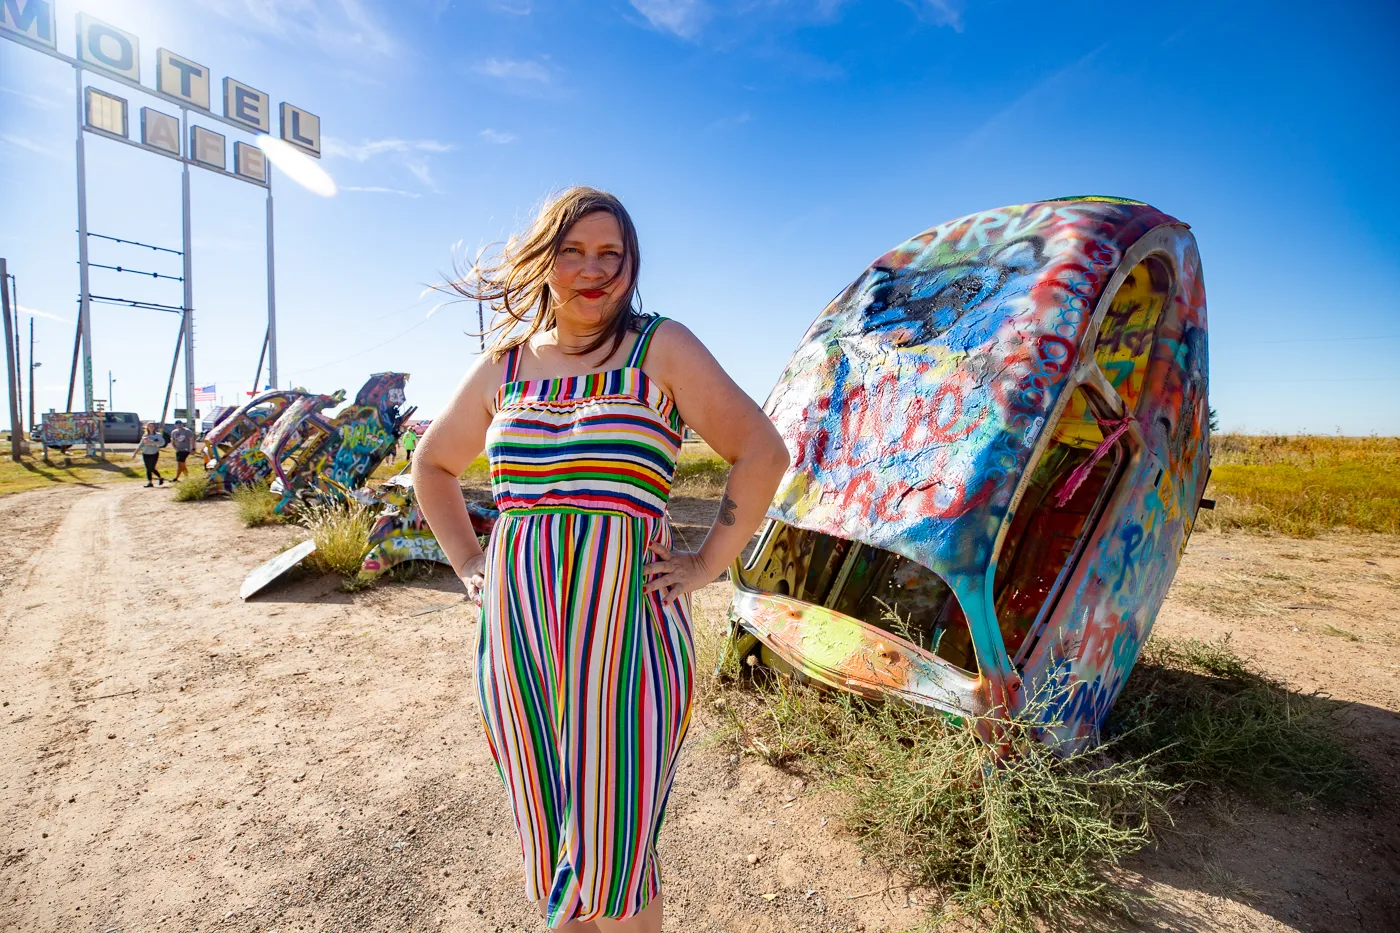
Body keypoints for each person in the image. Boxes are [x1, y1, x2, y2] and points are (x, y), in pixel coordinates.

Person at [413, 187, 789, 932]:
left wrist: (708, 562)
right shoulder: (505, 367)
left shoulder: (662, 348)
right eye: (574, 251)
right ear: (546, 260)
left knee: (617, 850)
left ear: (631, 263)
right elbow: (433, 466)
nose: (593, 269)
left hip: (629, 640)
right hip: (519, 644)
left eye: (610, 253)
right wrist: (468, 563)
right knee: (554, 841)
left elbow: (762, 451)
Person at [133, 422, 165, 487]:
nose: (151, 427)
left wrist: (153, 443)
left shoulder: (158, 435)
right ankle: (150, 482)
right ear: (147, 427)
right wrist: (135, 453)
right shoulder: (145, 435)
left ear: (154, 427)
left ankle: (160, 478)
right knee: (148, 468)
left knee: (152, 468)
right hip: (145, 453)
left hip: (154, 453)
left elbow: (162, 443)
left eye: (152, 426)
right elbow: (141, 444)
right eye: (149, 426)